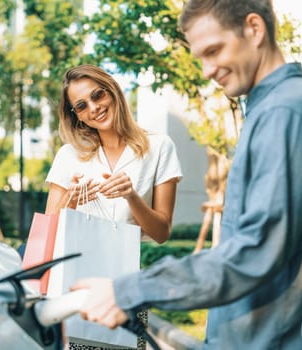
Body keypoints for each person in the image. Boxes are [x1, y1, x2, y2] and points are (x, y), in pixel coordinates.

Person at [70, 1, 302, 349]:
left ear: (255, 29)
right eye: (201, 58)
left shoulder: (282, 114)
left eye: (214, 51)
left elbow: (255, 252)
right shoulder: (276, 109)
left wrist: (127, 291)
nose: (208, 70)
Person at [45, 64, 183, 349]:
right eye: (81, 106)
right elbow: (48, 230)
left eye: (98, 95)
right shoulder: (69, 154)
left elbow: (162, 232)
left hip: (125, 290)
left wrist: (131, 195)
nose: (94, 107)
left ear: (113, 91)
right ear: (77, 116)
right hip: (72, 292)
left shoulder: (159, 147)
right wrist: (70, 201)